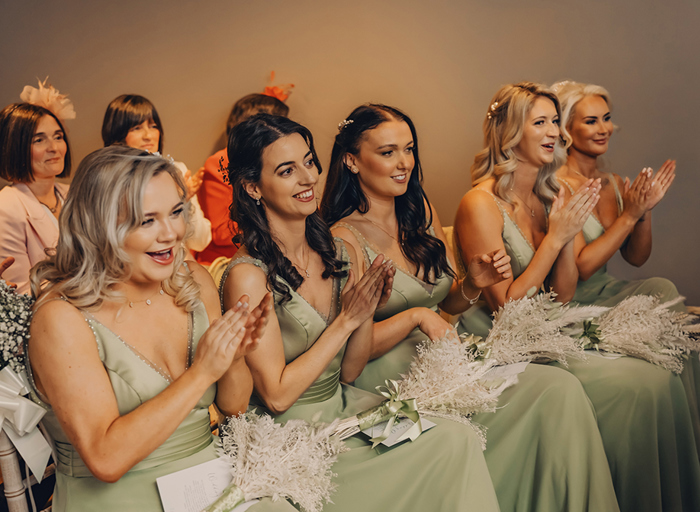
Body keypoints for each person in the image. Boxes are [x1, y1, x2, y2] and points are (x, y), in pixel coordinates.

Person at [322, 102, 619, 512]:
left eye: (409, 149)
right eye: (387, 152)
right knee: (544, 396)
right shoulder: (345, 238)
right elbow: (347, 357)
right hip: (389, 375)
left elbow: (448, 299)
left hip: (447, 354)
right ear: (353, 161)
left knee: (558, 388)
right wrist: (415, 317)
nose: (403, 163)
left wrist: (473, 285)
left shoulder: (419, 211)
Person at [220, 113, 502, 512]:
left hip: (344, 406)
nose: (307, 178)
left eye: (309, 161)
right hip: (290, 435)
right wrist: (347, 320)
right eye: (286, 170)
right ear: (253, 187)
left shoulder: (333, 251)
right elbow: (277, 396)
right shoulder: (248, 275)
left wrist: (366, 309)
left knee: (457, 438)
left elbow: (350, 370)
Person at [454, 82, 700, 512]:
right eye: (541, 123)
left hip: (552, 323)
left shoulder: (553, 193)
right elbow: (506, 311)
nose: (555, 133)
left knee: (658, 377)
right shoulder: (479, 203)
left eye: (555, 122)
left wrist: (564, 233)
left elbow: (563, 294)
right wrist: (556, 239)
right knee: (639, 387)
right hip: (500, 340)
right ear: (511, 132)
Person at [27, 146, 295, 512]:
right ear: (98, 226)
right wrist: (202, 371)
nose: (171, 234)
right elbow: (105, 460)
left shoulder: (192, 280)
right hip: (119, 498)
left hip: (208, 483)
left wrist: (233, 355)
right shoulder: (61, 318)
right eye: (146, 220)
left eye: (175, 213)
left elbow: (232, 406)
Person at [552, 78, 700, 464]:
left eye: (607, 118)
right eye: (590, 121)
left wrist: (644, 210)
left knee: (662, 287)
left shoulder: (615, 183)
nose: (603, 129)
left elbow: (637, 258)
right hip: (575, 302)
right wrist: (630, 214)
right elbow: (582, 268)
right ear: (565, 128)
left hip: (611, 290)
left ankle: (681, 436)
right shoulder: (557, 187)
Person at [101, 94, 211, 254]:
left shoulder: (176, 170)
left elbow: (201, 241)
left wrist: (184, 203)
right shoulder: (108, 179)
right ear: (117, 135)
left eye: (153, 126)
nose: (148, 136)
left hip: (177, 265)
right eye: (137, 128)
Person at [196, 93, 290, 265]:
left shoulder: (282, 161)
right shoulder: (220, 162)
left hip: (271, 255)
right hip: (227, 261)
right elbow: (221, 232)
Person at [0, 102, 71, 294]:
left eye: (58, 137)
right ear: (15, 147)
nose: (54, 147)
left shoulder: (75, 193)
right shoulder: (6, 207)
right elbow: (21, 293)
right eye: (39, 140)